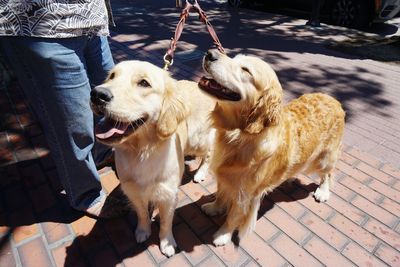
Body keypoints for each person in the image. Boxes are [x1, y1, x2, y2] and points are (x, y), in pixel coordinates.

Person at [0, 1, 124, 218]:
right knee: (74, 119)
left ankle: (100, 153)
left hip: (91, 18)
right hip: (41, 23)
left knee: (111, 100)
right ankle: (85, 194)